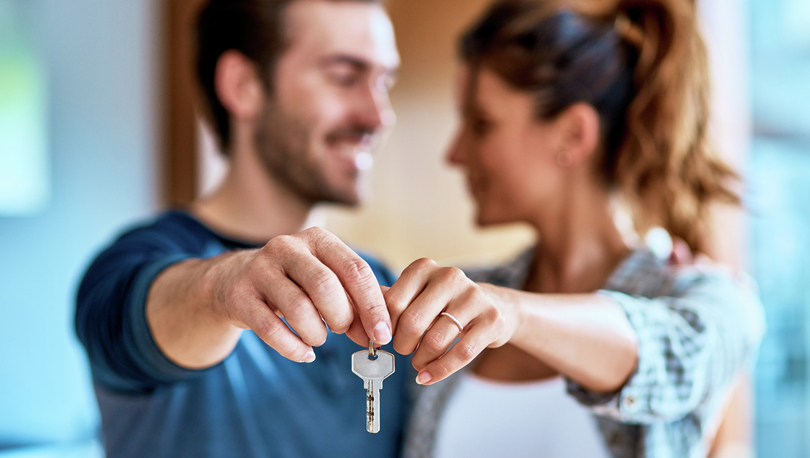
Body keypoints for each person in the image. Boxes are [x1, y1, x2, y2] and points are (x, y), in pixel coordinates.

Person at [380, 0, 766, 457]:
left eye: (481, 124)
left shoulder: (706, 300)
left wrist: (515, 314)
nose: (455, 154)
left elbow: (668, 358)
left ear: (573, 135)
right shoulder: (464, 302)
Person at [74, 0, 414, 457]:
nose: (379, 116)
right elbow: (137, 315)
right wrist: (220, 288)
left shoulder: (377, 280)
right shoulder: (137, 261)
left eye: (384, 82)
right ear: (244, 85)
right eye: (345, 76)